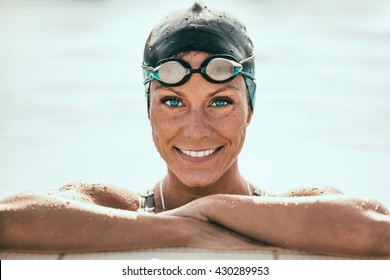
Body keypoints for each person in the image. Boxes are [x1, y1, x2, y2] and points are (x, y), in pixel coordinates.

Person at [0, 1, 389, 256]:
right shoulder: (119, 207)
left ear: (249, 109)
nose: (196, 129)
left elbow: (377, 229)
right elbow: (10, 219)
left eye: (221, 102)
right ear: (148, 110)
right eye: (172, 102)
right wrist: (180, 230)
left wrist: (212, 208)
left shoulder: (295, 205)